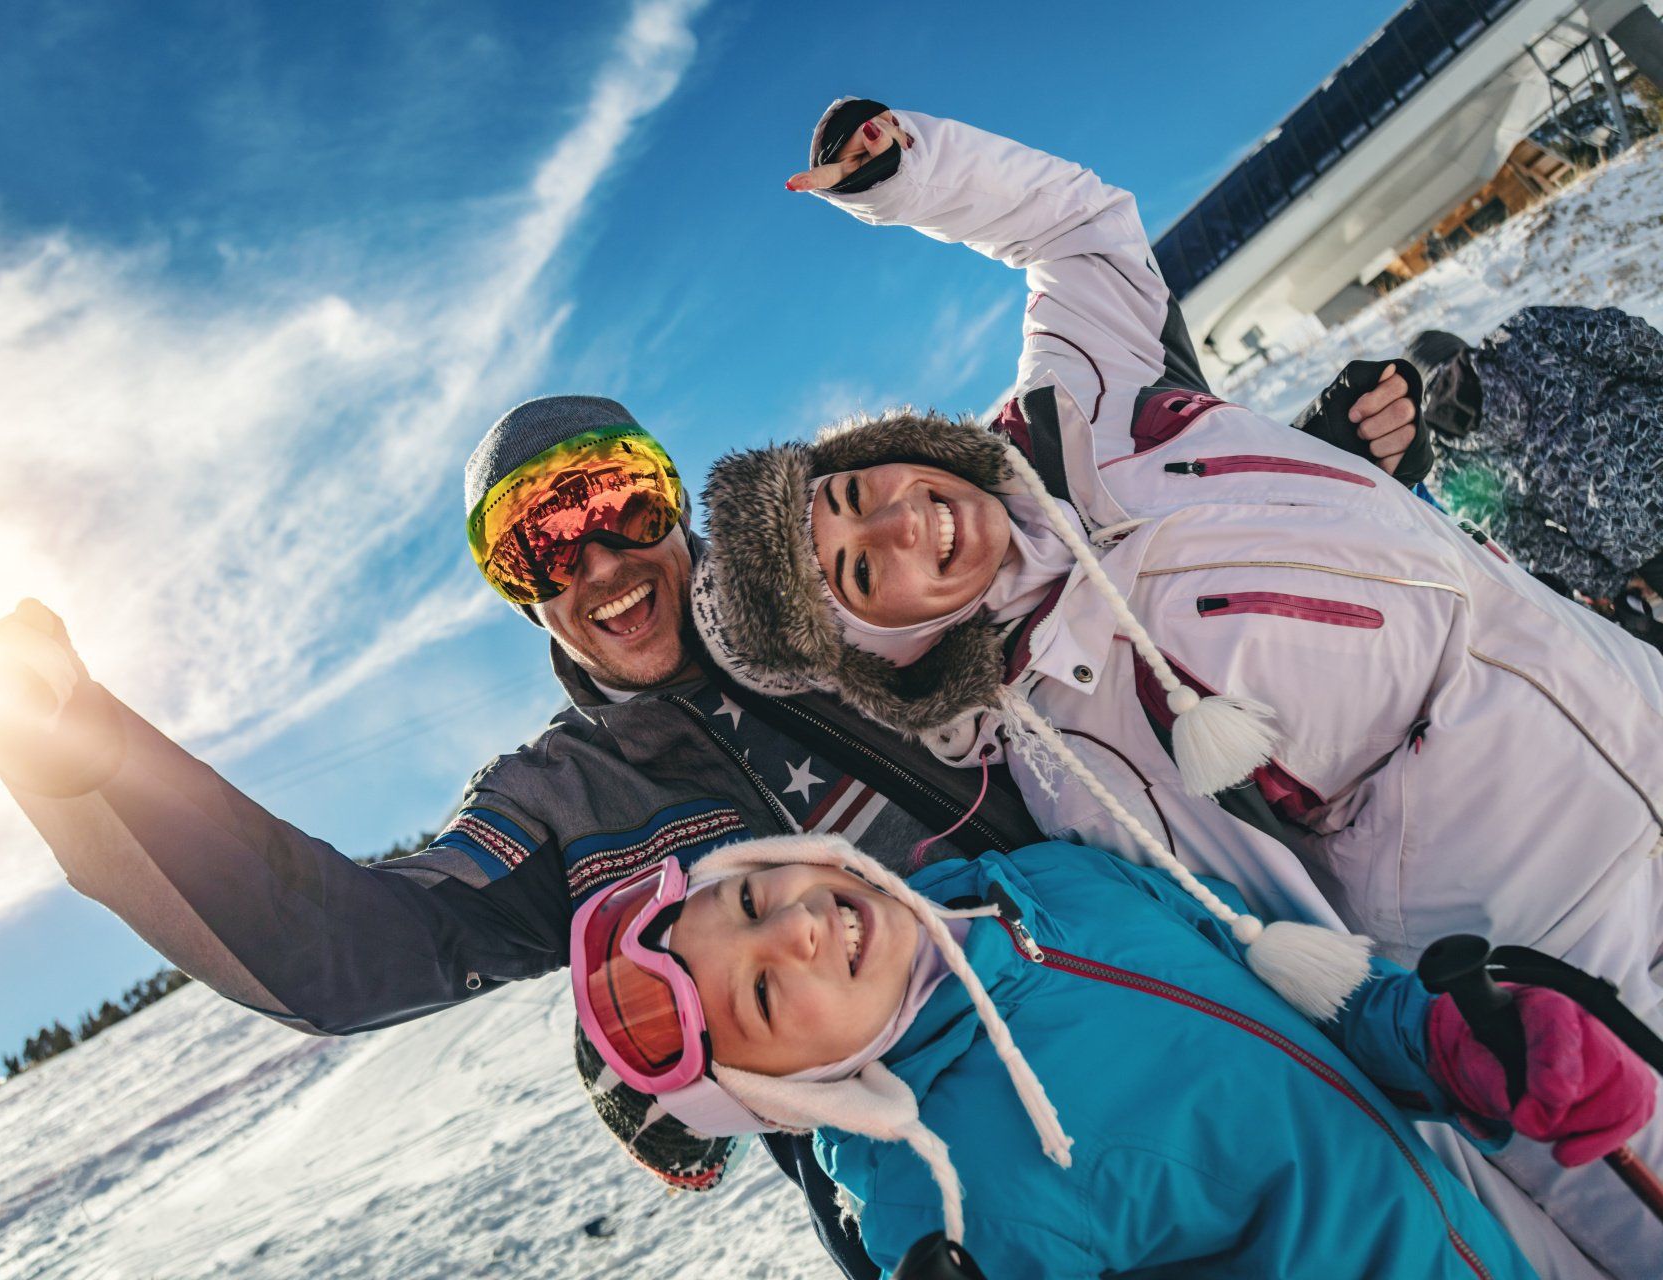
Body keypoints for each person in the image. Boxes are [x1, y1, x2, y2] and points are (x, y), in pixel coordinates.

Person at [0, 151, 1424, 1280]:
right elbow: (348, 953)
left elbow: (1063, 568)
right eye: (542, 544)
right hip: (974, 1198)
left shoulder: (829, 596)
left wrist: (1301, 468)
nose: (596, 561)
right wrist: (78, 752)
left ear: (671, 500)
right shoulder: (563, 804)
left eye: (616, 503)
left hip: (1202, 1030)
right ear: (520, 594)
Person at [693, 98, 1663, 1276]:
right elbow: (1285, 942)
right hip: (1564, 951)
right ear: (880, 646)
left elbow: (1086, 227)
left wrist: (908, 170)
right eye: (859, 571)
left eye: (850, 492)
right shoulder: (1067, 746)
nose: (902, 521)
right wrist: (1479, 1052)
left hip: (1630, 692)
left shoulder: (1076, 415)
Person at [572, 832, 1655, 1278]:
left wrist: (1446, 1039)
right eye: (764, 990)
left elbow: (1301, 991)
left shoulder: (1050, 877)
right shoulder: (933, 1208)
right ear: (783, 1090)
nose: (797, 925)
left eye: (754, 895)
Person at [1407, 308, 1663, 623]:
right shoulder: (1523, 334)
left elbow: (1524, 539)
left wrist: (1611, 583)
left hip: (1639, 539)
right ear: (1461, 347)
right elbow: (1627, 339)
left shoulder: (1446, 465)